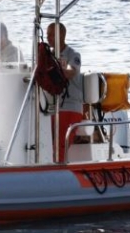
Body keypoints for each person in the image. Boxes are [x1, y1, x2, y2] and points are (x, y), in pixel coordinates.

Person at [47, 21, 83, 162]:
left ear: (61, 35)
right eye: (48, 34)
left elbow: (71, 72)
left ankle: (58, 169)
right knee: (48, 143)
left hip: (70, 106)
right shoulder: (48, 56)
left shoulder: (73, 55)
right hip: (52, 107)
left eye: (51, 35)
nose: (48, 37)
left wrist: (53, 70)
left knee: (60, 144)